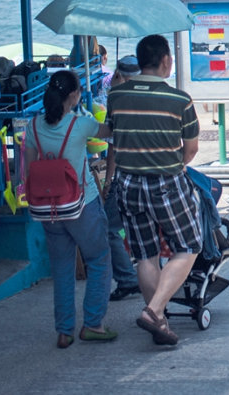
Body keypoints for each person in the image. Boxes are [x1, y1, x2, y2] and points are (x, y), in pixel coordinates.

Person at [105, 34, 200, 346]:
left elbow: (112, 136)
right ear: (166, 61)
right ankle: (155, 309)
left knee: (145, 254)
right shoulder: (179, 99)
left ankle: (159, 322)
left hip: (128, 182)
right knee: (188, 246)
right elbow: (190, 150)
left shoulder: (116, 95)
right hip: (166, 182)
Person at [25, 70, 116, 348]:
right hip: (81, 204)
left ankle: (64, 331)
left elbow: (29, 165)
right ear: (74, 95)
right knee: (99, 259)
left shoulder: (33, 125)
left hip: (48, 208)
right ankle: (93, 324)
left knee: (62, 268)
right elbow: (109, 133)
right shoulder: (81, 124)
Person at [100, 55, 140, 301]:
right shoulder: (156, 96)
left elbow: (112, 146)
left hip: (126, 176)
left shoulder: (116, 100)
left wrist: (108, 180)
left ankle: (127, 278)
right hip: (155, 174)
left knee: (109, 228)